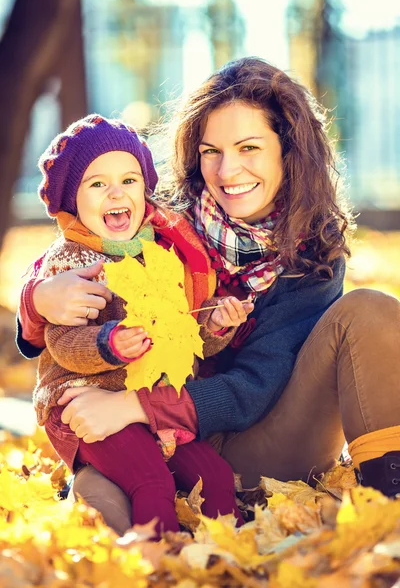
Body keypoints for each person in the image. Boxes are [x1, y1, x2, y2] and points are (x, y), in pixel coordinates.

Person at [18, 58, 400, 537]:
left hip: (260, 445)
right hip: (154, 442)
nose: (228, 169)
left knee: (371, 311)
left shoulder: (312, 251)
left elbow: (257, 387)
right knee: (101, 516)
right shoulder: (161, 223)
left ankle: (389, 508)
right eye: (211, 150)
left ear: (289, 150)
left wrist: (135, 406)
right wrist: (38, 300)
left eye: (249, 147)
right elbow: (67, 283)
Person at [28, 113, 249, 536]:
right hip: (81, 402)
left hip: (150, 400)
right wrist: (109, 343)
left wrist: (216, 326)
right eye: (97, 184)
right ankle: (157, 564)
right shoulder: (74, 260)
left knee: (216, 477)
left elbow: (180, 331)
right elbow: (62, 340)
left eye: (129, 181)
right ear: (72, 198)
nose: (117, 192)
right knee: (152, 480)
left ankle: (233, 558)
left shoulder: (160, 252)